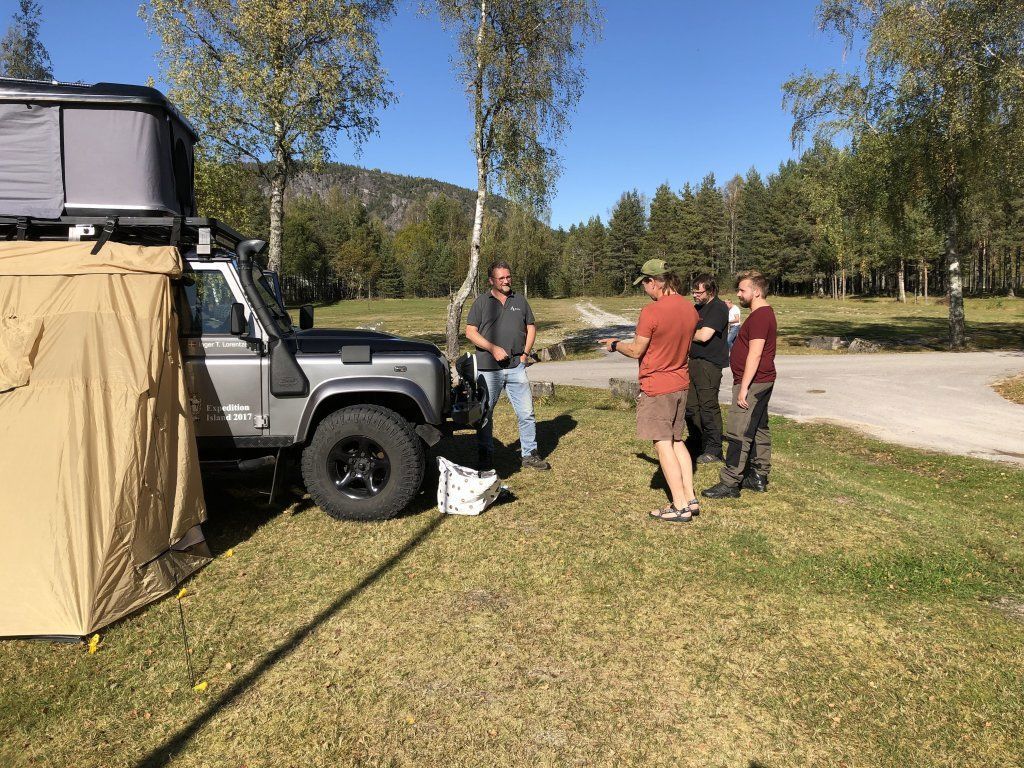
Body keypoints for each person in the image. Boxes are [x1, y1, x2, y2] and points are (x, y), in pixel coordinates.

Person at [599, 259, 700, 522]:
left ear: (653, 281)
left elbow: (636, 350)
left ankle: (679, 507)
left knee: (662, 443)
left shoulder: (651, 312)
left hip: (658, 386)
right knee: (677, 440)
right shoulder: (690, 309)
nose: (644, 289)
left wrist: (614, 344)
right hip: (681, 382)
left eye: (644, 284)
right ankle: (690, 499)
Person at [466, 261, 550, 471]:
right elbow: (470, 332)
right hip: (488, 368)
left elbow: (531, 327)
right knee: (485, 414)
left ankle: (529, 454)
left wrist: (525, 354)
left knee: (526, 413)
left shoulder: (519, 300)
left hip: (516, 367)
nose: (506, 281)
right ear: (491, 280)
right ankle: (485, 456)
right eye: (501, 278)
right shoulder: (481, 302)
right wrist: (493, 348)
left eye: (508, 277)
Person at [703, 270, 777, 498]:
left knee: (738, 431)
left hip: (753, 383)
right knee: (759, 428)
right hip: (761, 380)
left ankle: (730, 482)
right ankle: (758, 476)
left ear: (757, 292)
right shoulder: (762, 314)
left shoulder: (760, 316)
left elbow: (755, 354)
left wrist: (743, 388)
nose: (738, 294)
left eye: (742, 290)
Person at [685, 274, 729, 465]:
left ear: (710, 291)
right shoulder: (697, 308)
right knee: (690, 406)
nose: (695, 295)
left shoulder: (718, 308)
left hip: (709, 364)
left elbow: (704, 336)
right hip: (693, 361)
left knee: (708, 406)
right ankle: (696, 442)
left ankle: (714, 448)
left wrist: (683, 332)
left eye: (699, 292)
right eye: (693, 291)